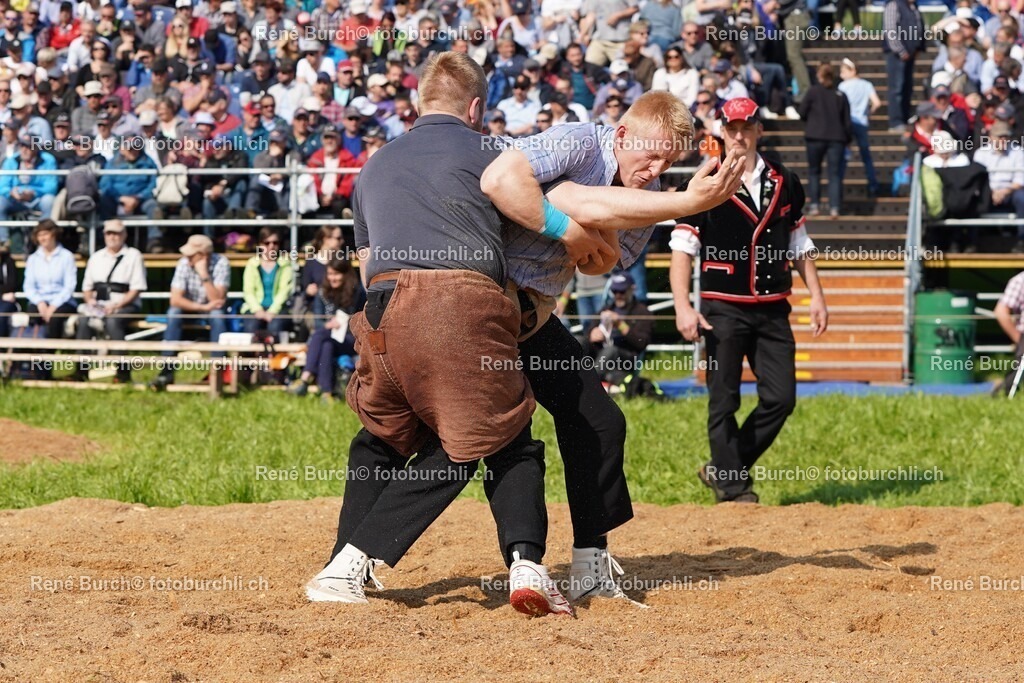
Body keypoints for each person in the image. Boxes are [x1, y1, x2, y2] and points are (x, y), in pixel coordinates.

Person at [306, 52, 580, 615]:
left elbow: (364, 264)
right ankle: (515, 566)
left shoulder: (375, 163)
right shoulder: (495, 155)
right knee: (496, 439)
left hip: (379, 313)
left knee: (381, 437)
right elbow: (537, 229)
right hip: (457, 306)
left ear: (418, 103)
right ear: (476, 107)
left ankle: (344, 557)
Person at [479, 90, 745, 601]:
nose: (657, 169)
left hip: (533, 317)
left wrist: (585, 230)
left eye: (669, 161)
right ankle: (357, 552)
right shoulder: (577, 141)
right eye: (651, 154)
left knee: (600, 420)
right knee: (449, 440)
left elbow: (599, 265)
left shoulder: (653, 193)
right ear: (622, 135)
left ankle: (590, 564)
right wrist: (574, 224)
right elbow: (503, 179)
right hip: (480, 304)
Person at [669, 97, 829, 503]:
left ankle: (723, 466)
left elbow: (799, 243)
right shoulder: (705, 181)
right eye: (731, 127)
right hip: (722, 306)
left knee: (781, 398)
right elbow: (682, 250)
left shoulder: (785, 179)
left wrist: (818, 297)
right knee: (724, 398)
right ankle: (733, 487)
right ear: (720, 132)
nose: (739, 135)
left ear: (759, 129)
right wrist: (683, 306)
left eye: (746, 126)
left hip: (774, 304)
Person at [151, 234, 229, 388]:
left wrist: (204, 275)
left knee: (218, 316)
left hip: (211, 310)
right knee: (173, 313)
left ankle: (217, 371)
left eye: (191, 255)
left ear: (203, 256)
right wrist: (201, 307)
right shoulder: (183, 263)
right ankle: (166, 371)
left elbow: (217, 301)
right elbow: (175, 299)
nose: (187, 258)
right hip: (191, 308)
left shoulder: (221, 263)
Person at [74, 219, 148, 383]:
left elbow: (136, 288)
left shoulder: (134, 256)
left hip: (126, 304)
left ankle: (122, 373)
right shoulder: (96, 257)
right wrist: (91, 302)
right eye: (109, 233)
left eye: (116, 233)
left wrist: (117, 306)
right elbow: (87, 288)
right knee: (83, 321)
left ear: (124, 235)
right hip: (99, 304)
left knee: (113, 322)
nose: (113, 237)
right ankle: (80, 371)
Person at [286, 258, 365, 400]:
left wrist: (345, 323)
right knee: (326, 344)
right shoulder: (322, 293)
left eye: (336, 274)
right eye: (329, 274)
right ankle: (326, 393)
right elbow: (317, 323)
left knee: (321, 336)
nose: (332, 278)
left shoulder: (357, 293)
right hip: (327, 337)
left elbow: (362, 322)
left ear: (346, 274)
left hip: (350, 340)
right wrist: (328, 325)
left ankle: (305, 378)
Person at [800, 62, 852, 217]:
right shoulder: (840, 95)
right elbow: (847, 121)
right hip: (836, 138)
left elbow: (802, 112)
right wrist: (848, 139)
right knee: (834, 174)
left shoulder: (813, 92)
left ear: (819, 75)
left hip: (815, 136)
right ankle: (834, 206)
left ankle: (815, 205)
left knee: (814, 171)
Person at [584, 272, 653, 387]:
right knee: (581, 341)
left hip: (627, 358)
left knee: (611, 351)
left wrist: (621, 325)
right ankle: (567, 376)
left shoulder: (642, 312)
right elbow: (589, 331)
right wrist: (591, 335)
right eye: (615, 291)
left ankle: (589, 384)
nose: (618, 295)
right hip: (601, 353)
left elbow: (642, 343)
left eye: (622, 291)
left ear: (632, 289)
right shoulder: (606, 309)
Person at [0, 132, 59, 248]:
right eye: (22, 145)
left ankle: (43, 240)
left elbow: (52, 186)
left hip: (37, 198)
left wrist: (34, 192)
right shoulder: (11, 161)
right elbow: (2, 185)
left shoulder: (47, 160)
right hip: (15, 198)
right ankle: (3, 242)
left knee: (49, 201)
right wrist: (11, 192)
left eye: (28, 146)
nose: (24, 149)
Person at [972, 121, 1024, 252]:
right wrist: (992, 192)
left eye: (1006, 137)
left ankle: (1022, 240)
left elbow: (1020, 180)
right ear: (991, 137)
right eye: (999, 136)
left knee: (1022, 198)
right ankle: (972, 241)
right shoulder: (981, 153)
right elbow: (978, 180)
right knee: (972, 198)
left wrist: (1005, 191)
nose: (1003, 140)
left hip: (1011, 190)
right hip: (987, 191)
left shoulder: (1018, 152)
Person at [23, 219, 77, 340]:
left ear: (53, 234)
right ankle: (32, 352)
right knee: (33, 314)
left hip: (63, 301)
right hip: (39, 300)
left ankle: (50, 354)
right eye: (39, 235)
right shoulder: (33, 259)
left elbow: (69, 286)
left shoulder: (67, 256)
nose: (42, 238)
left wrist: (53, 305)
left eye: (45, 234)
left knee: (55, 318)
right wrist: (40, 302)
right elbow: (29, 286)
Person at [838, 58, 881, 198]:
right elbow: (877, 103)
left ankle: (839, 185)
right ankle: (873, 184)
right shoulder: (866, 84)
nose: (841, 75)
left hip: (847, 123)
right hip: (862, 122)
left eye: (843, 71)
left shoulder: (842, 86)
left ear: (853, 70)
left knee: (844, 155)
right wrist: (868, 113)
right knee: (866, 155)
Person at [240, 227, 294, 339]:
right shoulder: (252, 264)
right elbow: (248, 291)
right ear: (260, 245)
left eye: (275, 243)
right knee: (251, 327)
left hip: (278, 309)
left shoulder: (285, 264)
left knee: (275, 327)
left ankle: (274, 356)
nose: (271, 246)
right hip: (255, 308)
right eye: (267, 243)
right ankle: (252, 356)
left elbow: (284, 291)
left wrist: (272, 311)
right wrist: (257, 310)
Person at [883, 0, 926, 132]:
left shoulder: (913, 7)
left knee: (908, 87)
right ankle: (896, 121)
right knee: (897, 88)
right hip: (897, 56)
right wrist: (901, 50)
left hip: (911, 54)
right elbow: (890, 30)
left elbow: (919, 26)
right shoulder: (893, 5)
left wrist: (919, 47)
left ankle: (905, 118)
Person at [994, 270, 1024, 394]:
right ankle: (1003, 394)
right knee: (1013, 381)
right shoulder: (1020, 281)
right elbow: (1001, 312)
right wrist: (1018, 339)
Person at [0, 239, 19, 338]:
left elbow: (12, 284)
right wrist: (2, 294)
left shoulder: (9, 261)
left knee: (1, 315)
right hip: (4, 297)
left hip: (6, 302)